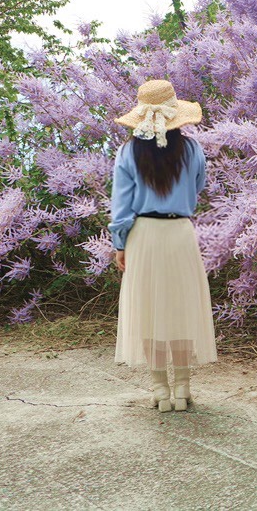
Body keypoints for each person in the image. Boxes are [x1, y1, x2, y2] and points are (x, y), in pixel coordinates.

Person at [108, 79, 217, 412]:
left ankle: (159, 390)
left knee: (148, 308)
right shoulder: (193, 149)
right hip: (180, 233)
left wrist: (120, 243)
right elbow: (198, 186)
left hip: (143, 234)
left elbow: (121, 204)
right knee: (180, 307)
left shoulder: (128, 152)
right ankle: (183, 388)